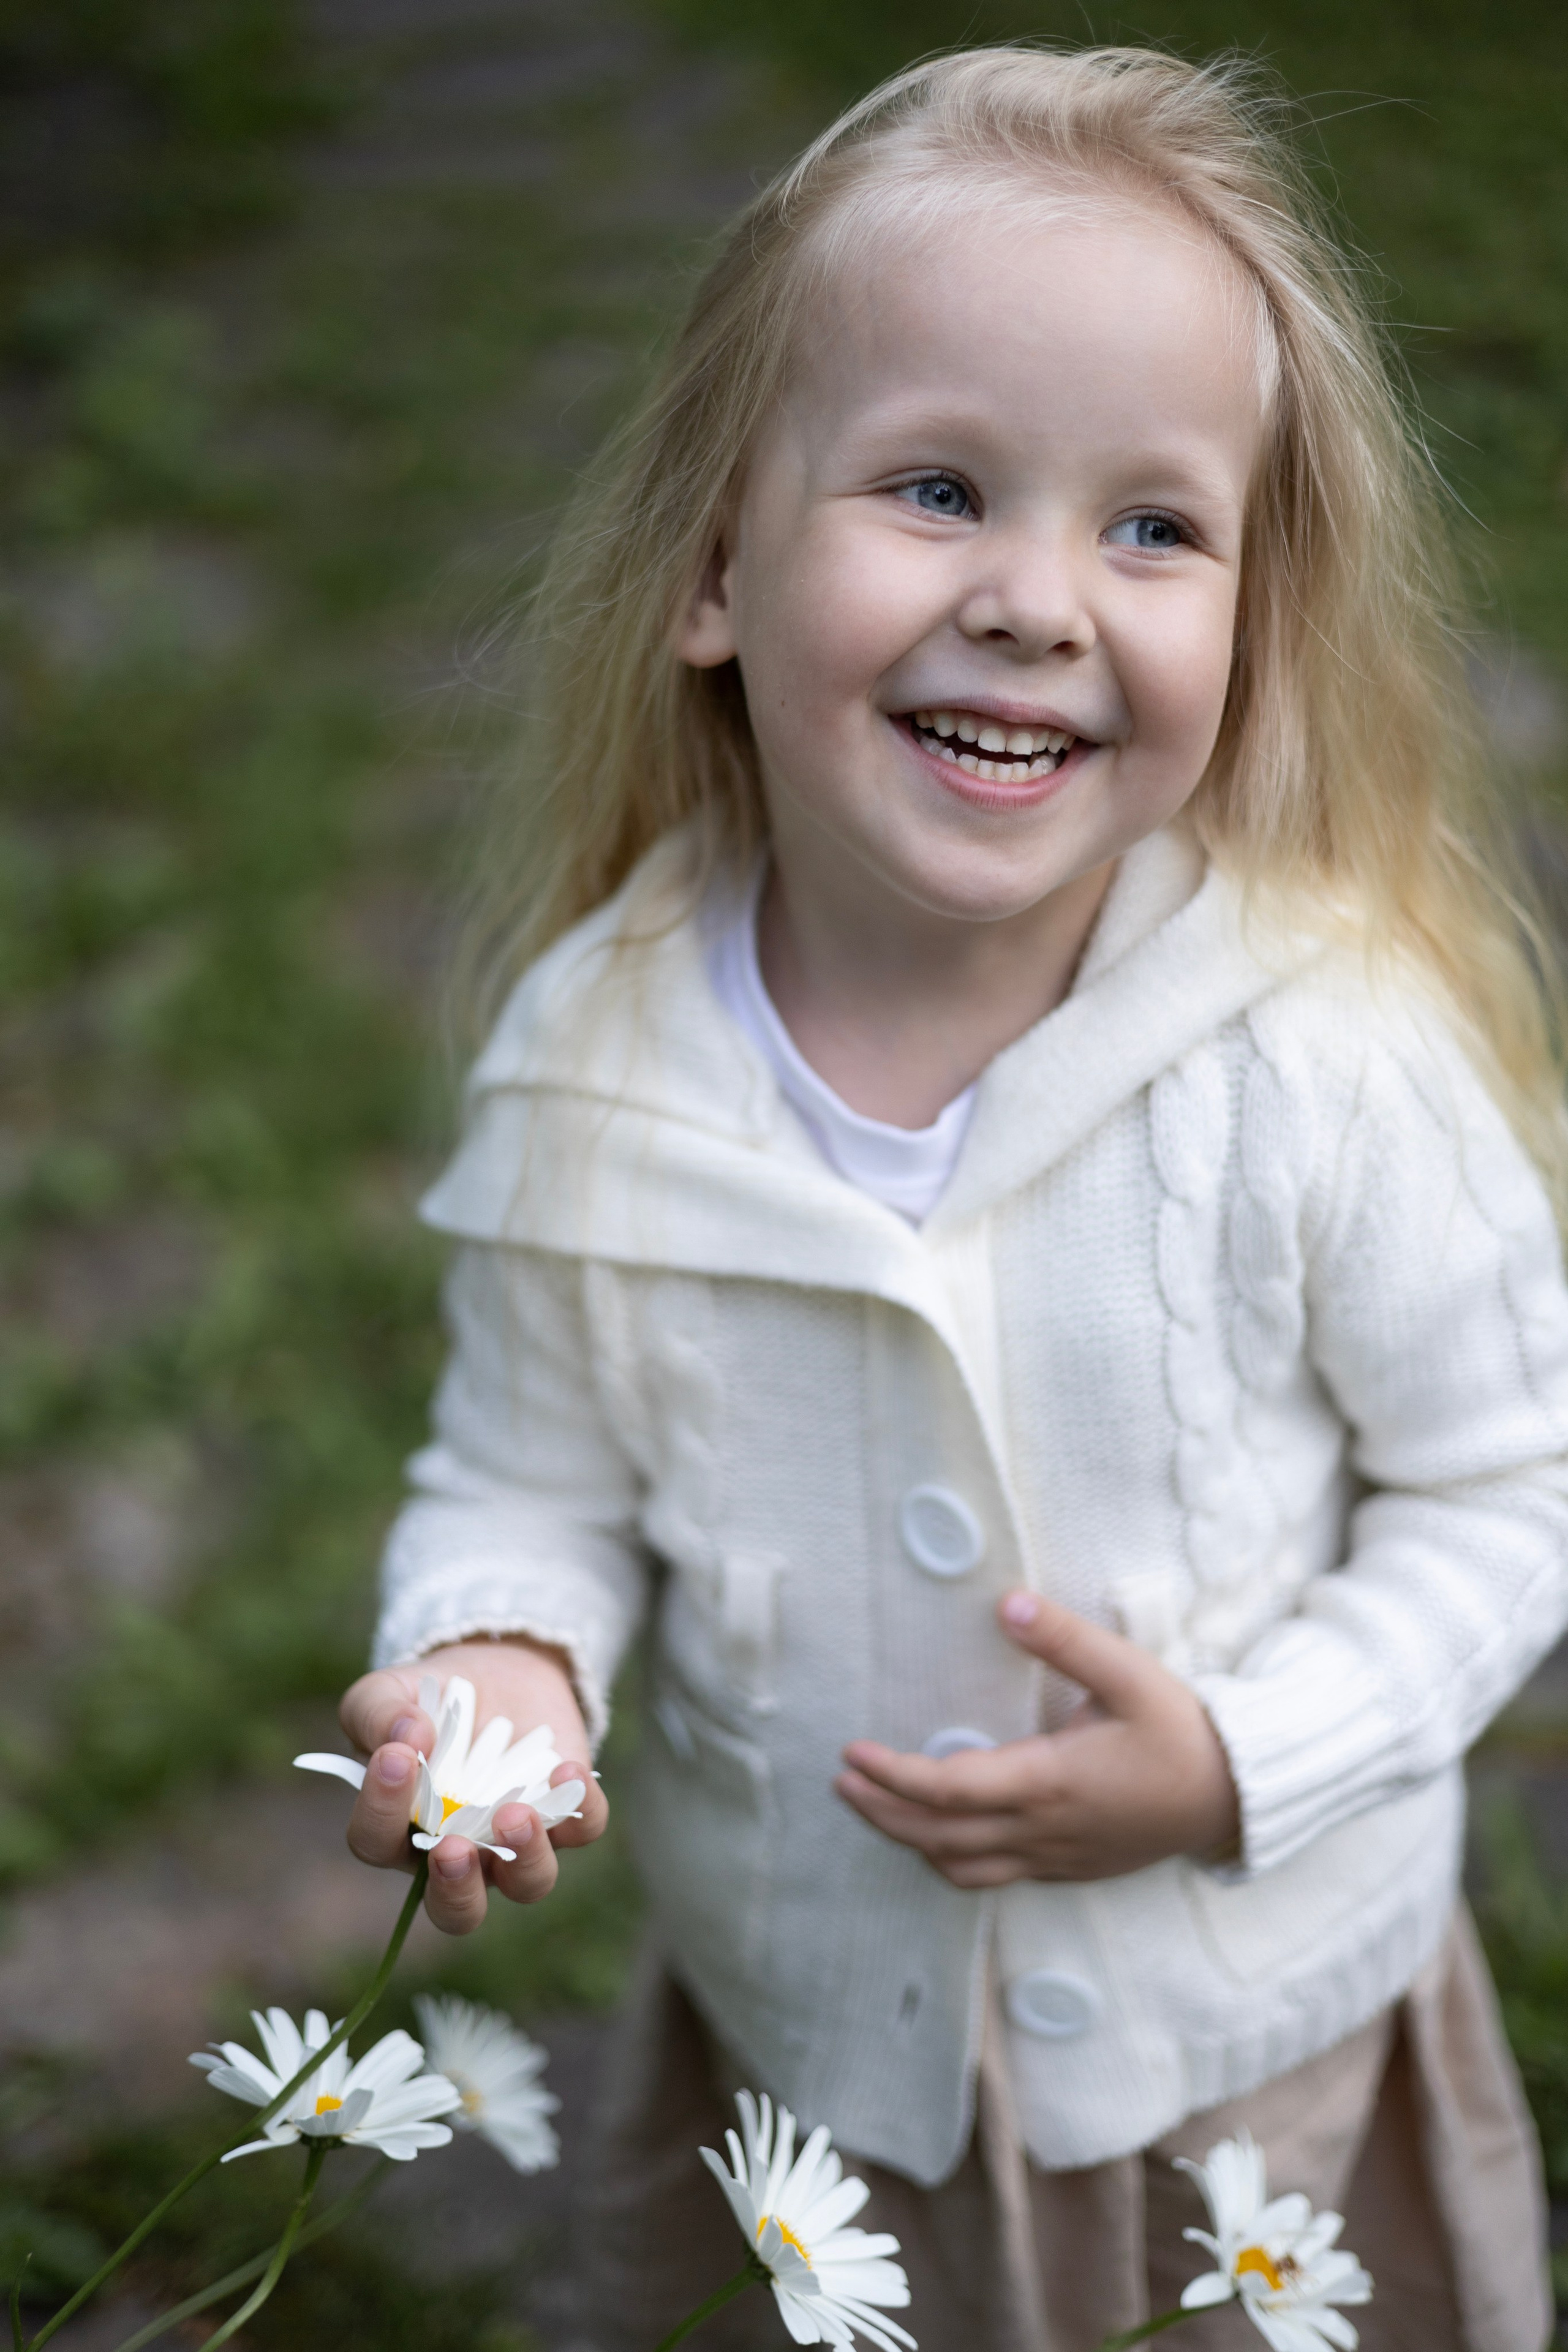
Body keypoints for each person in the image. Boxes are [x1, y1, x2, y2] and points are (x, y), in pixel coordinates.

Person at [331, 46, 1567, 2351]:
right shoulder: (601, 1067)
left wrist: (1236, 1760)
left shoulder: (1320, 1060)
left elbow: (1513, 1486)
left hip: (1243, 2099)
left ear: (1256, 622)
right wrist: (503, 1652)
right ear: (713, 567)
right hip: (815, 2089)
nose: (1035, 600)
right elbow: (528, 1477)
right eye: (935, 486)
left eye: (1151, 526)